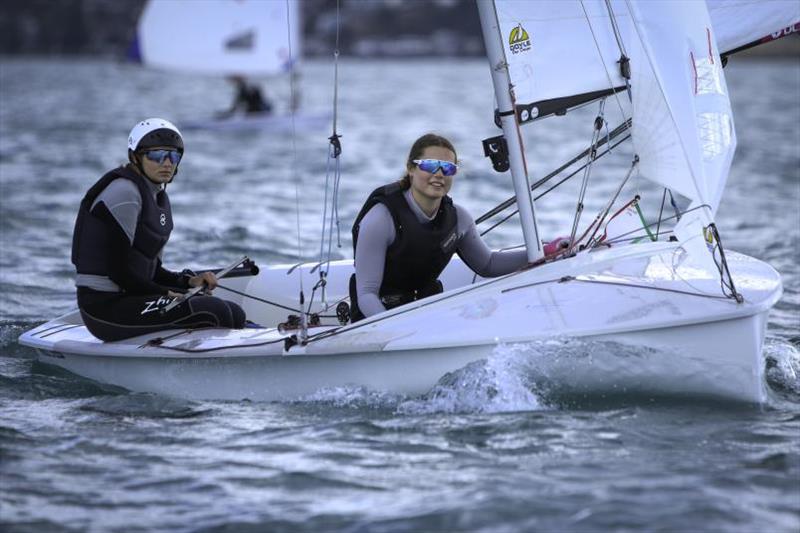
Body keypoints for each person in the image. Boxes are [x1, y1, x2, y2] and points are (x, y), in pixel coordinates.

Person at [71, 118, 246, 341]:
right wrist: (164, 293)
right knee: (213, 310)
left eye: (173, 156)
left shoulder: (157, 196)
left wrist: (188, 282)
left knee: (234, 312)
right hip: (103, 307)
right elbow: (119, 272)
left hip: (132, 297)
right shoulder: (124, 193)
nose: (166, 163)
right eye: (156, 155)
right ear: (135, 157)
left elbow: (150, 271)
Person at [349, 133, 530, 322]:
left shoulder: (459, 218)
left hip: (426, 315)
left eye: (448, 168)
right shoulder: (381, 219)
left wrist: (546, 252)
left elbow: (488, 264)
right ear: (411, 168)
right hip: (374, 322)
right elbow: (367, 295)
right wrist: (394, 330)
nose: (439, 174)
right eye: (429, 165)